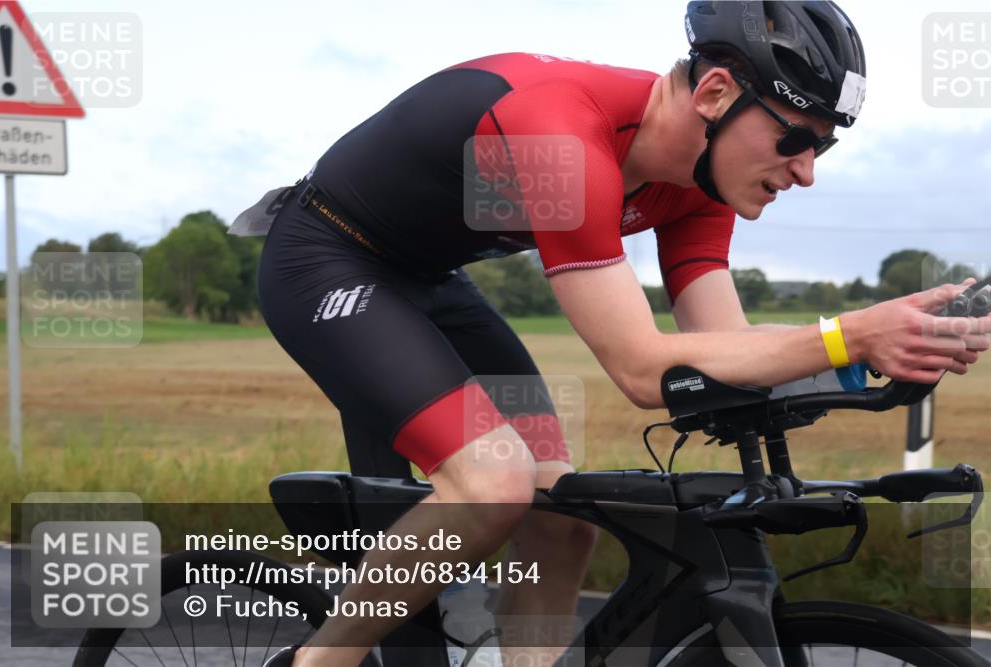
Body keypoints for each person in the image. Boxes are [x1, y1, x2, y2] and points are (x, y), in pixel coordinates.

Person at [242, 1, 991, 665]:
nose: (805, 172)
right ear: (715, 93)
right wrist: (848, 335)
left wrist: (884, 344)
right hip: (330, 259)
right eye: (795, 137)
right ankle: (322, 660)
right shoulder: (563, 136)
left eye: (820, 148)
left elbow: (723, 355)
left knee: (560, 516)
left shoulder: (701, 180)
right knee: (495, 482)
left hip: (435, 278)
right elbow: (641, 370)